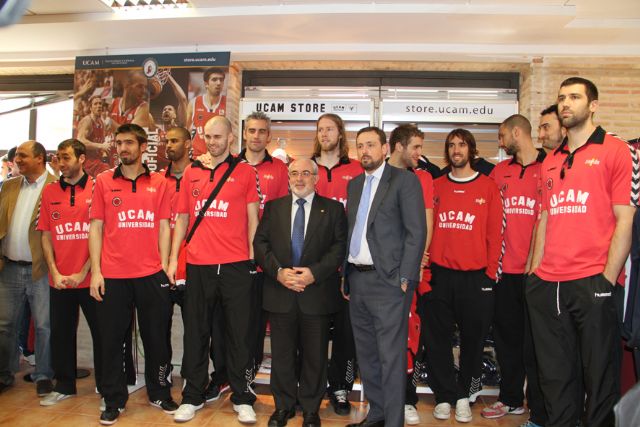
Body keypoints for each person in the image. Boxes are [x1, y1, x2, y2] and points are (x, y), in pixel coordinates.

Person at [527, 77, 638, 427]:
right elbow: (544, 219)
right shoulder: (550, 160)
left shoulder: (616, 150)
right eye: (561, 97)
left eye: (574, 97)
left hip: (593, 281)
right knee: (556, 380)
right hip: (547, 285)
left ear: (592, 105)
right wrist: (533, 275)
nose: (565, 103)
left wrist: (607, 279)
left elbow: (626, 220)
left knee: (600, 378)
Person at [167, 116, 260, 424]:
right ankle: (192, 396)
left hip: (235, 265)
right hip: (198, 265)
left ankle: (242, 396)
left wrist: (251, 259)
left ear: (231, 137)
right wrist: (171, 260)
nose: (213, 141)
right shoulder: (192, 170)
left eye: (218, 136)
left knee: (238, 334)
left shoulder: (245, 171)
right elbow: (181, 217)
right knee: (196, 333)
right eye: (208, 136)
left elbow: (252, 219)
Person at [89, 123, 176, 425]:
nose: (123, 148)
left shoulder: (160, 182)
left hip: (151, 273)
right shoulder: (102, 181)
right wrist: (96, 272)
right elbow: (96, 227)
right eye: (119, 143)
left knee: (157, 339)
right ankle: (113, 399)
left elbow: (165, 225)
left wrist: (165, 266)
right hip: (113, 274)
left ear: (142, 147)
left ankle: (160, 391)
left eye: (129, 143)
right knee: (112, 340)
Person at [254, 158, 347, 427]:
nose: (299, 178)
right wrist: (279, 272)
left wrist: (313, 273)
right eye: (294, 173)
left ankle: (310, 409)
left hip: (315, 294)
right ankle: (282, 407)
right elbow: (260, 244)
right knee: (282, 355)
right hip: (280, 292)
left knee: (315, 357)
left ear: (316, 178)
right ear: (288, 177)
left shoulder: (332, 210)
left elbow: (338, 248)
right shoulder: (273, 208)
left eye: (305, 173)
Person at [345, 126, 426, 427]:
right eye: (360, 146)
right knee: (367, 355)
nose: (364, 151)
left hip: (390, 283)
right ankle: (377, 414)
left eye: (370, 145)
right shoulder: (354, 185)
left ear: (385, 149)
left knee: (391, 359)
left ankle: (393, 422)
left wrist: (405, 277)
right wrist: (346, 277)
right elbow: (353, 231)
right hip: (358, 280)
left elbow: (416, 233)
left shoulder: (404, 181)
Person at [422, 128, 503, 424]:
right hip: (440, 276)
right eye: (451, 146)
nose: (456, 150)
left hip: (476, 278)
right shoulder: (436, 185)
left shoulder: (488, 187)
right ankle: (444, 396)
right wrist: (425, 271)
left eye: (461, 145)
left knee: (473, 341)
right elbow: (425, 231)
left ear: (471, 150)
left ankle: (463, 396)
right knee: (437, 341)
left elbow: (496, 234)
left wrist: (490, 275)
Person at [483, 115, 547, 425]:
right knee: (507, 342)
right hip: (504, 273)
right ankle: (510, 399)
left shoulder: (549, 167)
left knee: (536, 344)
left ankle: (539, 406)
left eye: (501, 135)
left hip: (538, 273)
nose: (499, 141)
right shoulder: (499, 172)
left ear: (517, 133)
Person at [37, 139, 102, 406]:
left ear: (81, 158)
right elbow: (45, 234)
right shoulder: (51, 191)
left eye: (66, 158)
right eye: (58, 158)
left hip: (90, 279)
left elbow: (102, 233)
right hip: (60, 281)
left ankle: (106, 388)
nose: (61, 164)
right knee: (61, 334)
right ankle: (64, 385)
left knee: (102, 333)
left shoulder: (98, 188)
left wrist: (83, 271)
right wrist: (54, 270)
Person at [311, 113, 363, 415]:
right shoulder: (307, 168)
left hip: (347, 267)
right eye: (320, 129)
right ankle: (313, 387)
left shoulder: (356, 170)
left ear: (340, 134)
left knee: (346, 334)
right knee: (313, 334)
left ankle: (341, 389)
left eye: (330, 128)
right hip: (314, 267)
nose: (324, 133)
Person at [0, 141, 57, 396]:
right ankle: (4, 373)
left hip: (41, 269)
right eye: (17, 156)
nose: (17, 160)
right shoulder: (9, 186)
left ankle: (44, 374)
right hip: (9, 267)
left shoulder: (55, 187)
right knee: (4, 325)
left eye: (23, 156)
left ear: (39, 158)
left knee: (44, 325)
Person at [386, 124, 434, 426]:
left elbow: (425, 224)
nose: (420, 153)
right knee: (384, 338)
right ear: (399, 146)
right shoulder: (377, 175)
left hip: (409, 272)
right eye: (415, 147)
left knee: (407, 337)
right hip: (381, 273)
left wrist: (416, 263)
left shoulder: (423, 177)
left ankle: (407, 398)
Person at [239, 111, 289, 375]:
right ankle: (231, 377)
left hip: (266, 260)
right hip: (235, 256)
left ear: (268, 136)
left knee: (259, 323)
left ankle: (250, 373)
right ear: (244, 133)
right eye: (251, 130)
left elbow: (282, 216)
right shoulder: (231, 166)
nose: (256, 136)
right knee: (236, 324)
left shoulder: (280, 170)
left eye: (261, 131)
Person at [187, 68, 227, 157]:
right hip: (197, 156)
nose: (218, 83)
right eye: (214, 79)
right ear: (206, 84)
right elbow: (186, 131)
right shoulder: (193, 103)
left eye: (221, 80)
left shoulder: (229, 104)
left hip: (219, 156)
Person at [77, 95, 113, 177]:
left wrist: (106, 149)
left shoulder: (101, 122)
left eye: (100, 103)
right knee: (107, 175)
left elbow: (101, 145)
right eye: (95, 104)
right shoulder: (87, 121)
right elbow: (80, 141)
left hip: (97, 161)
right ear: (90, 108)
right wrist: (101, 146)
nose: (99, 106)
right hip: (86, 162)